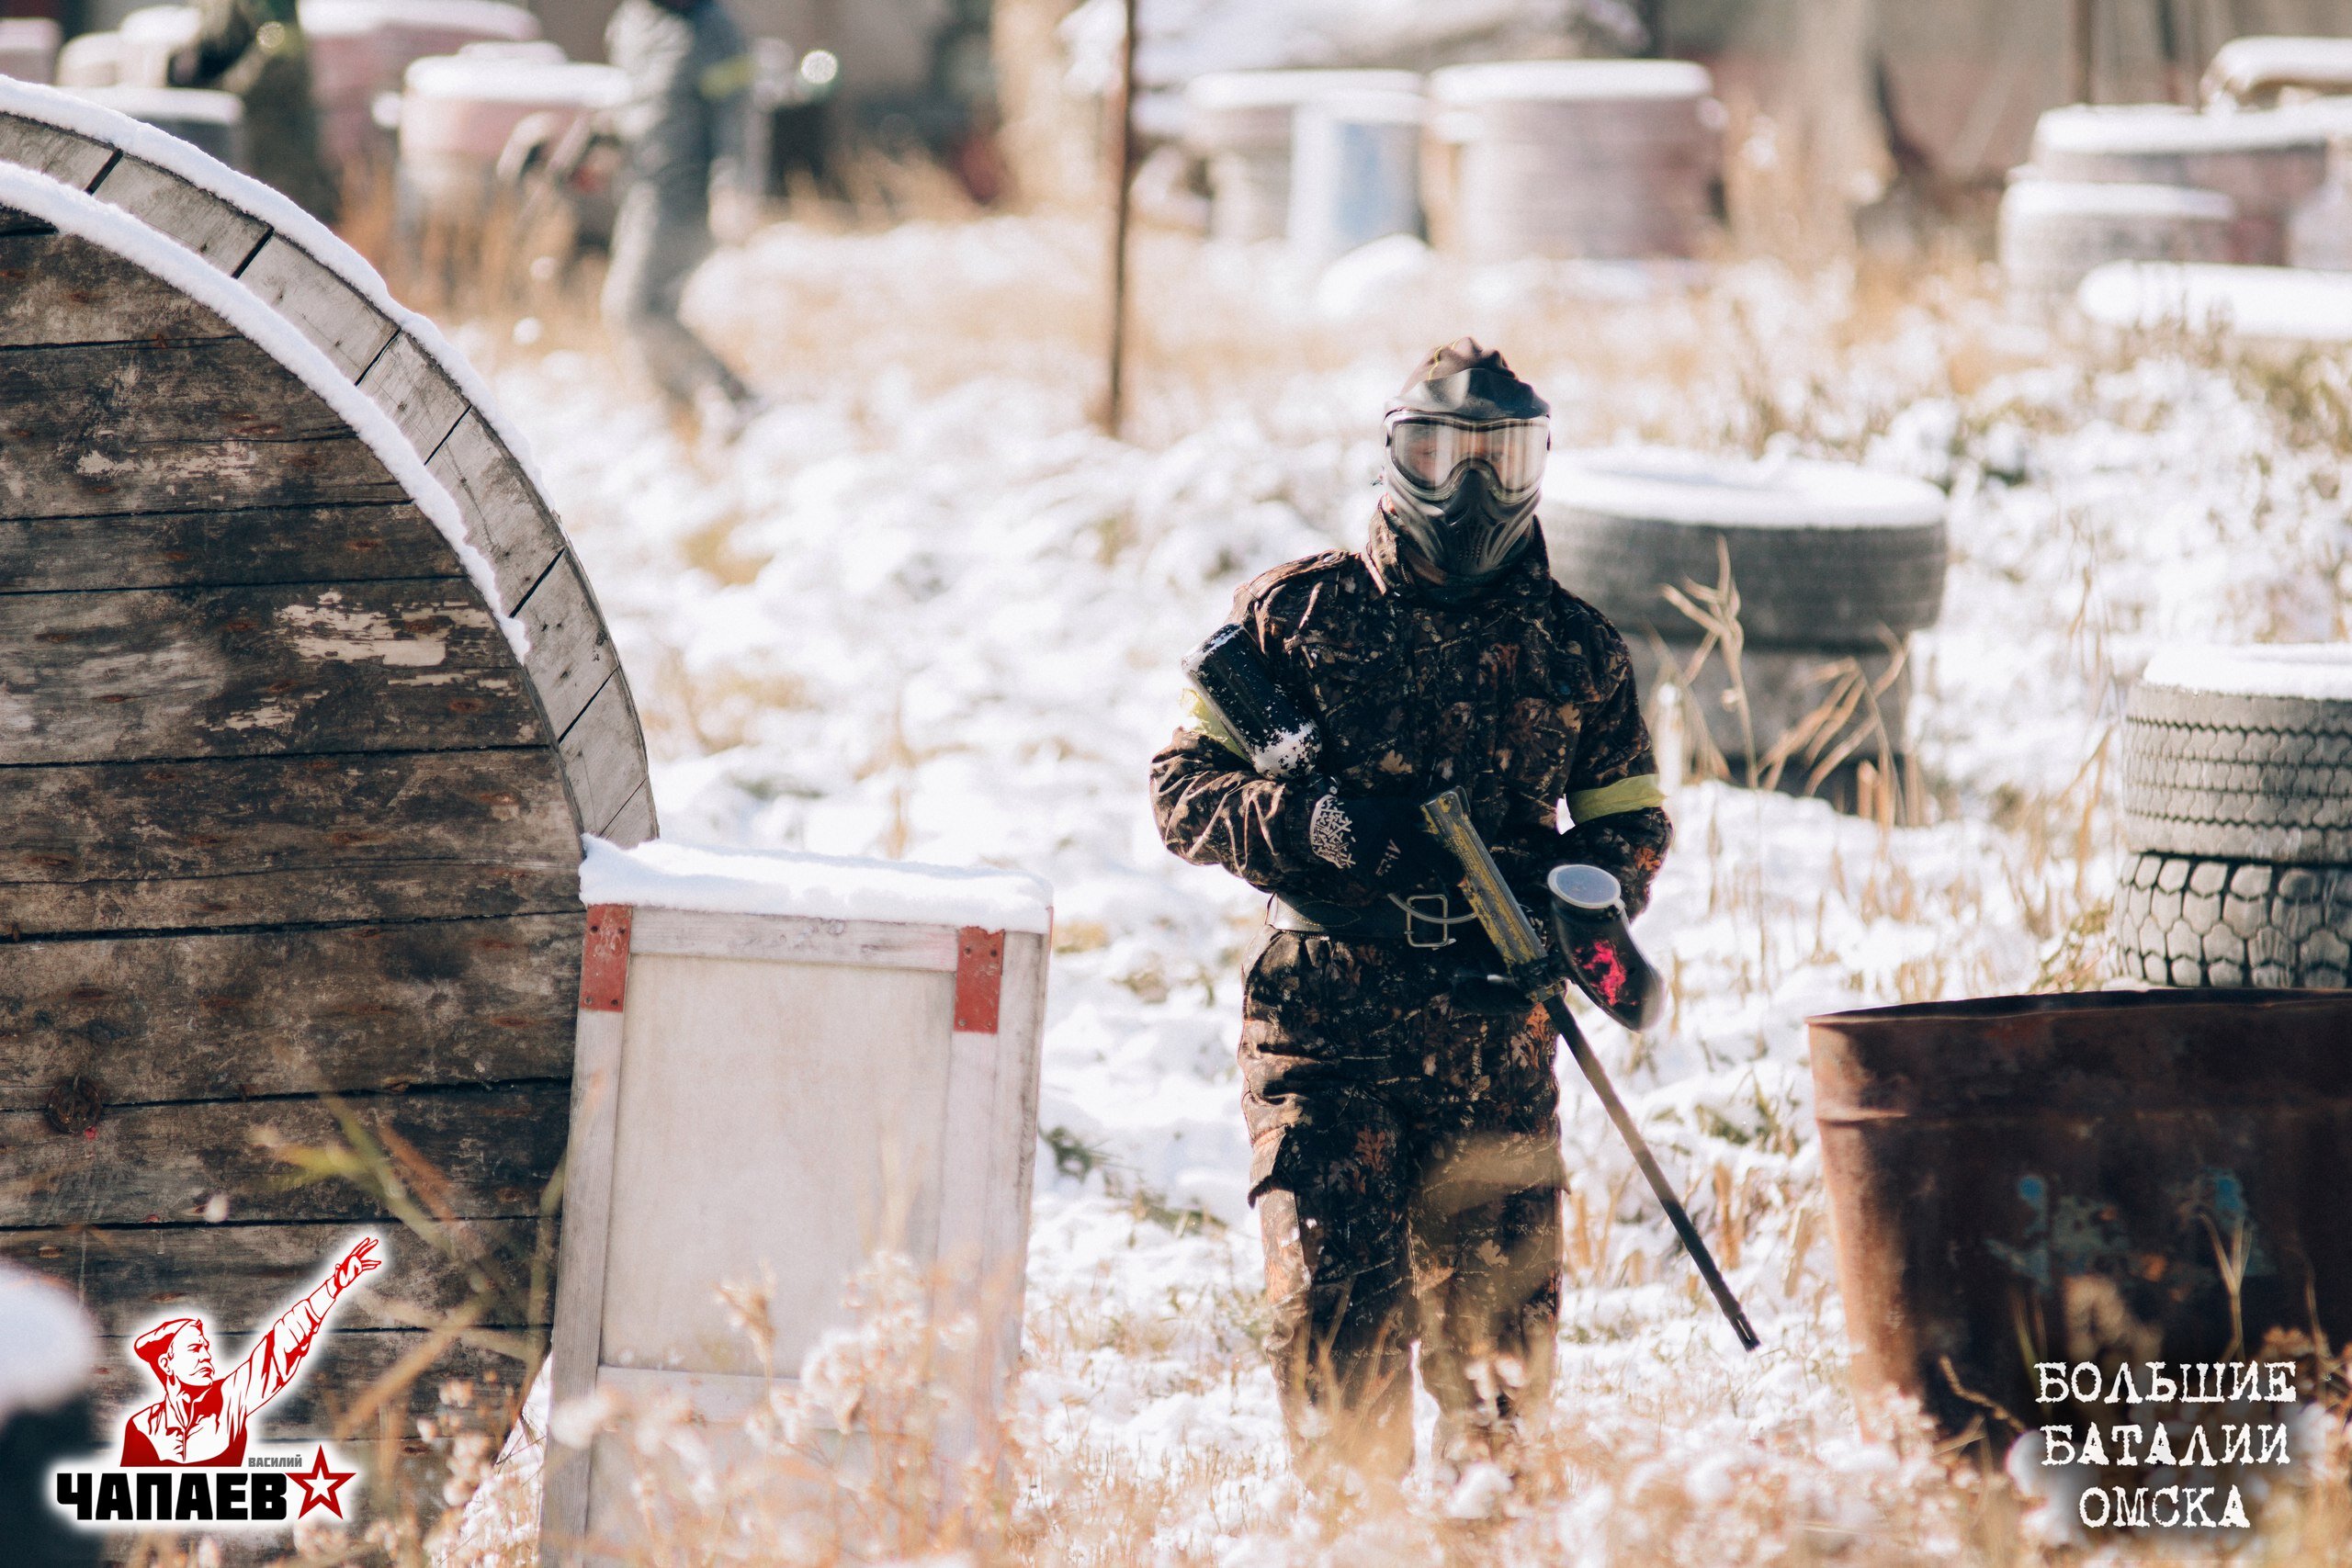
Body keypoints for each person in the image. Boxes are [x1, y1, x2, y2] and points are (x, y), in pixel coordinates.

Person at [1150, 340, 1673, 1487]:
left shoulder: (1576, 648)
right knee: (1338, 1346)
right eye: (1435, 453)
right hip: (1325, 1028)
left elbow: (1627, 820)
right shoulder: (1299, 618)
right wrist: (1319, 828)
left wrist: (1577, 902)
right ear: (1395, 457)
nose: (1469, 485)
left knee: (1500, 1380)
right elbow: (1182, 794)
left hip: (1493, 1034)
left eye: (1501, 456)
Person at [603, 0, 761, 433]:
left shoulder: (713, 27)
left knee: (633, 306)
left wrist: (732, 186)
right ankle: (677, 411)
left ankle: (730, 391)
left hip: (688, 194)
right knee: (650, 310)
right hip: (640, 190)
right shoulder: (629, 22)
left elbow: (737, 113)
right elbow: (628, 107)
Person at [119, 1238, 379, 1466]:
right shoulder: (142, 1427)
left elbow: (280, 1345)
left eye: (206, 1347)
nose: (206, 1355)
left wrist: (333, 1287)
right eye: (195, 1348)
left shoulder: (230, 1399)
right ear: (167, 1363)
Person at [170, 0, 338, 220]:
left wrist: (218, 91)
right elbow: (211, 46)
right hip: (237, 134)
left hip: (275, 134)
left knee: (281, 219)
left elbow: (279, 56)